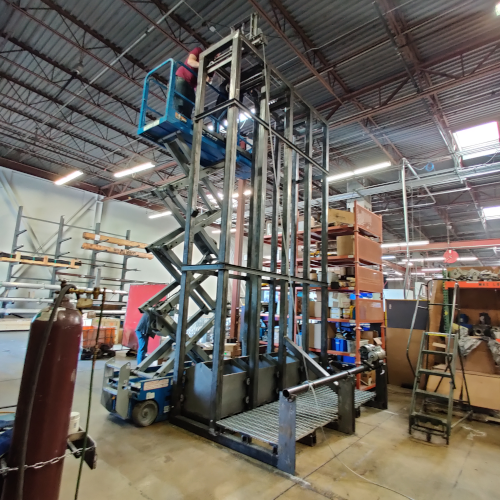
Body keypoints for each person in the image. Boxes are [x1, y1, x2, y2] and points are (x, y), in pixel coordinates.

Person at [174, 47, 203, 118]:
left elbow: (208, 80)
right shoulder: (198, 51)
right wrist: (203, 66)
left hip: (191, 86)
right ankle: (178, 115)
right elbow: (190, 61)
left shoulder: (211, 65)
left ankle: (185, 119)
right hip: (182, 77)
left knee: (191, 103)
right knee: (180, 101)